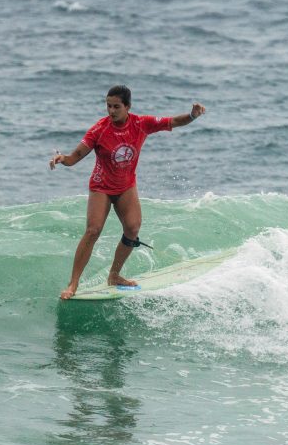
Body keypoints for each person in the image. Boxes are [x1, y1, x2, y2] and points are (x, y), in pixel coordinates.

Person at [49, 85, 206, 300]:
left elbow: (173, 122)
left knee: (132, 229)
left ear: (127, 107)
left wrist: (192, 115)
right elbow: (75, 156)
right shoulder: (99, 129)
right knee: (93, 230)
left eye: (116, 106)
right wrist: (62, 159)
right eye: (108, 106)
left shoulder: (141, 124)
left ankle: (114, 275)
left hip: (126, 185)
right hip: (101, 186)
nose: (111, 111)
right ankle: (73, 283)